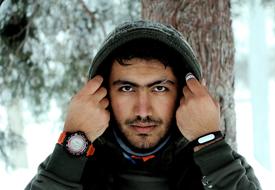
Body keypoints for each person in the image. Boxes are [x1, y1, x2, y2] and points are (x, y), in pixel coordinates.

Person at [25, 20, 261, 190]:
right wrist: (74, 143)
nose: (143, 111)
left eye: (159, 88)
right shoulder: (75, 166)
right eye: (127, 88)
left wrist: (209, 144)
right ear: (102, 93)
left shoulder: (217, 167)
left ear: (185, 95)